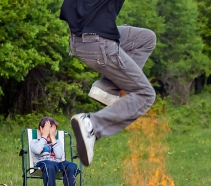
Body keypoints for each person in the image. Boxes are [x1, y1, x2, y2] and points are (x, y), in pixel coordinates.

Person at [59, 0, 156, 167]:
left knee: (146, 38)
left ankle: (108, 88)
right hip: (98, 44)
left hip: (82, 38)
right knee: (145, 94)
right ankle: (92, 125)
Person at [30, 117, 79, 186]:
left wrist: (53, 138)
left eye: (53, 131)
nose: (50, 134)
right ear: (39, 131)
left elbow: (60, 155)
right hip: (43, 163)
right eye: (48, 131)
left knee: (72, 166)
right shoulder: (35, 142)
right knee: (49, 166)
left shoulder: (57, 142)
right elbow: (37, 150)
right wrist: (44, 137)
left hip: (58, 162)